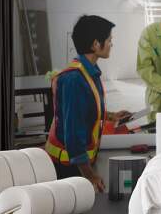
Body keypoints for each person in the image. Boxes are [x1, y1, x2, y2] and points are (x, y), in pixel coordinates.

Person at [45, 15, 131, 192]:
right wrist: (89, 175)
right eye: (108, 40)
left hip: (78, 163)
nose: (111, 44)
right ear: (95, 45)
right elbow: (73, 133)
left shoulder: (89, 72)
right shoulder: (74, 80)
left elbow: (86, 110)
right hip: (67, 166)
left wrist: (111, 115)